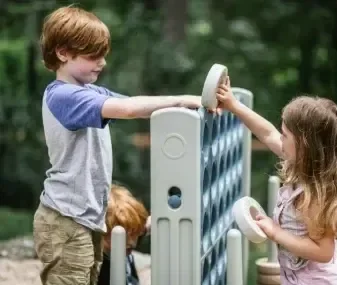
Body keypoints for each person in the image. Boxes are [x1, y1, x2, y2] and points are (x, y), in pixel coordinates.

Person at [33, 6, 211, 285]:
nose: (102, 62)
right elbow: (128, 109)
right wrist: (185, 99)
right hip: (66, 219)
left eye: (103, 54)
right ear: (63, 53)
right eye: (93, 55)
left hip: (87, 218)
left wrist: (184, 107)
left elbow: (137, 105)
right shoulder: (63, 96)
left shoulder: (88, 91)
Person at [216, 78, 337, 284]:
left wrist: (276, 232)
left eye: (285, 135)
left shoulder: (314, 194)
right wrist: (234, 106)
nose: (280, 138)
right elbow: (267, 133)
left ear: (304, 146)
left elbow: (324, 252)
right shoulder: (300, 164)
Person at [97, 183, 151, 285]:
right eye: (123, 233)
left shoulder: (125, 250)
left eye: (134, 231)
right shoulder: (98, 264)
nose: (132, 242)